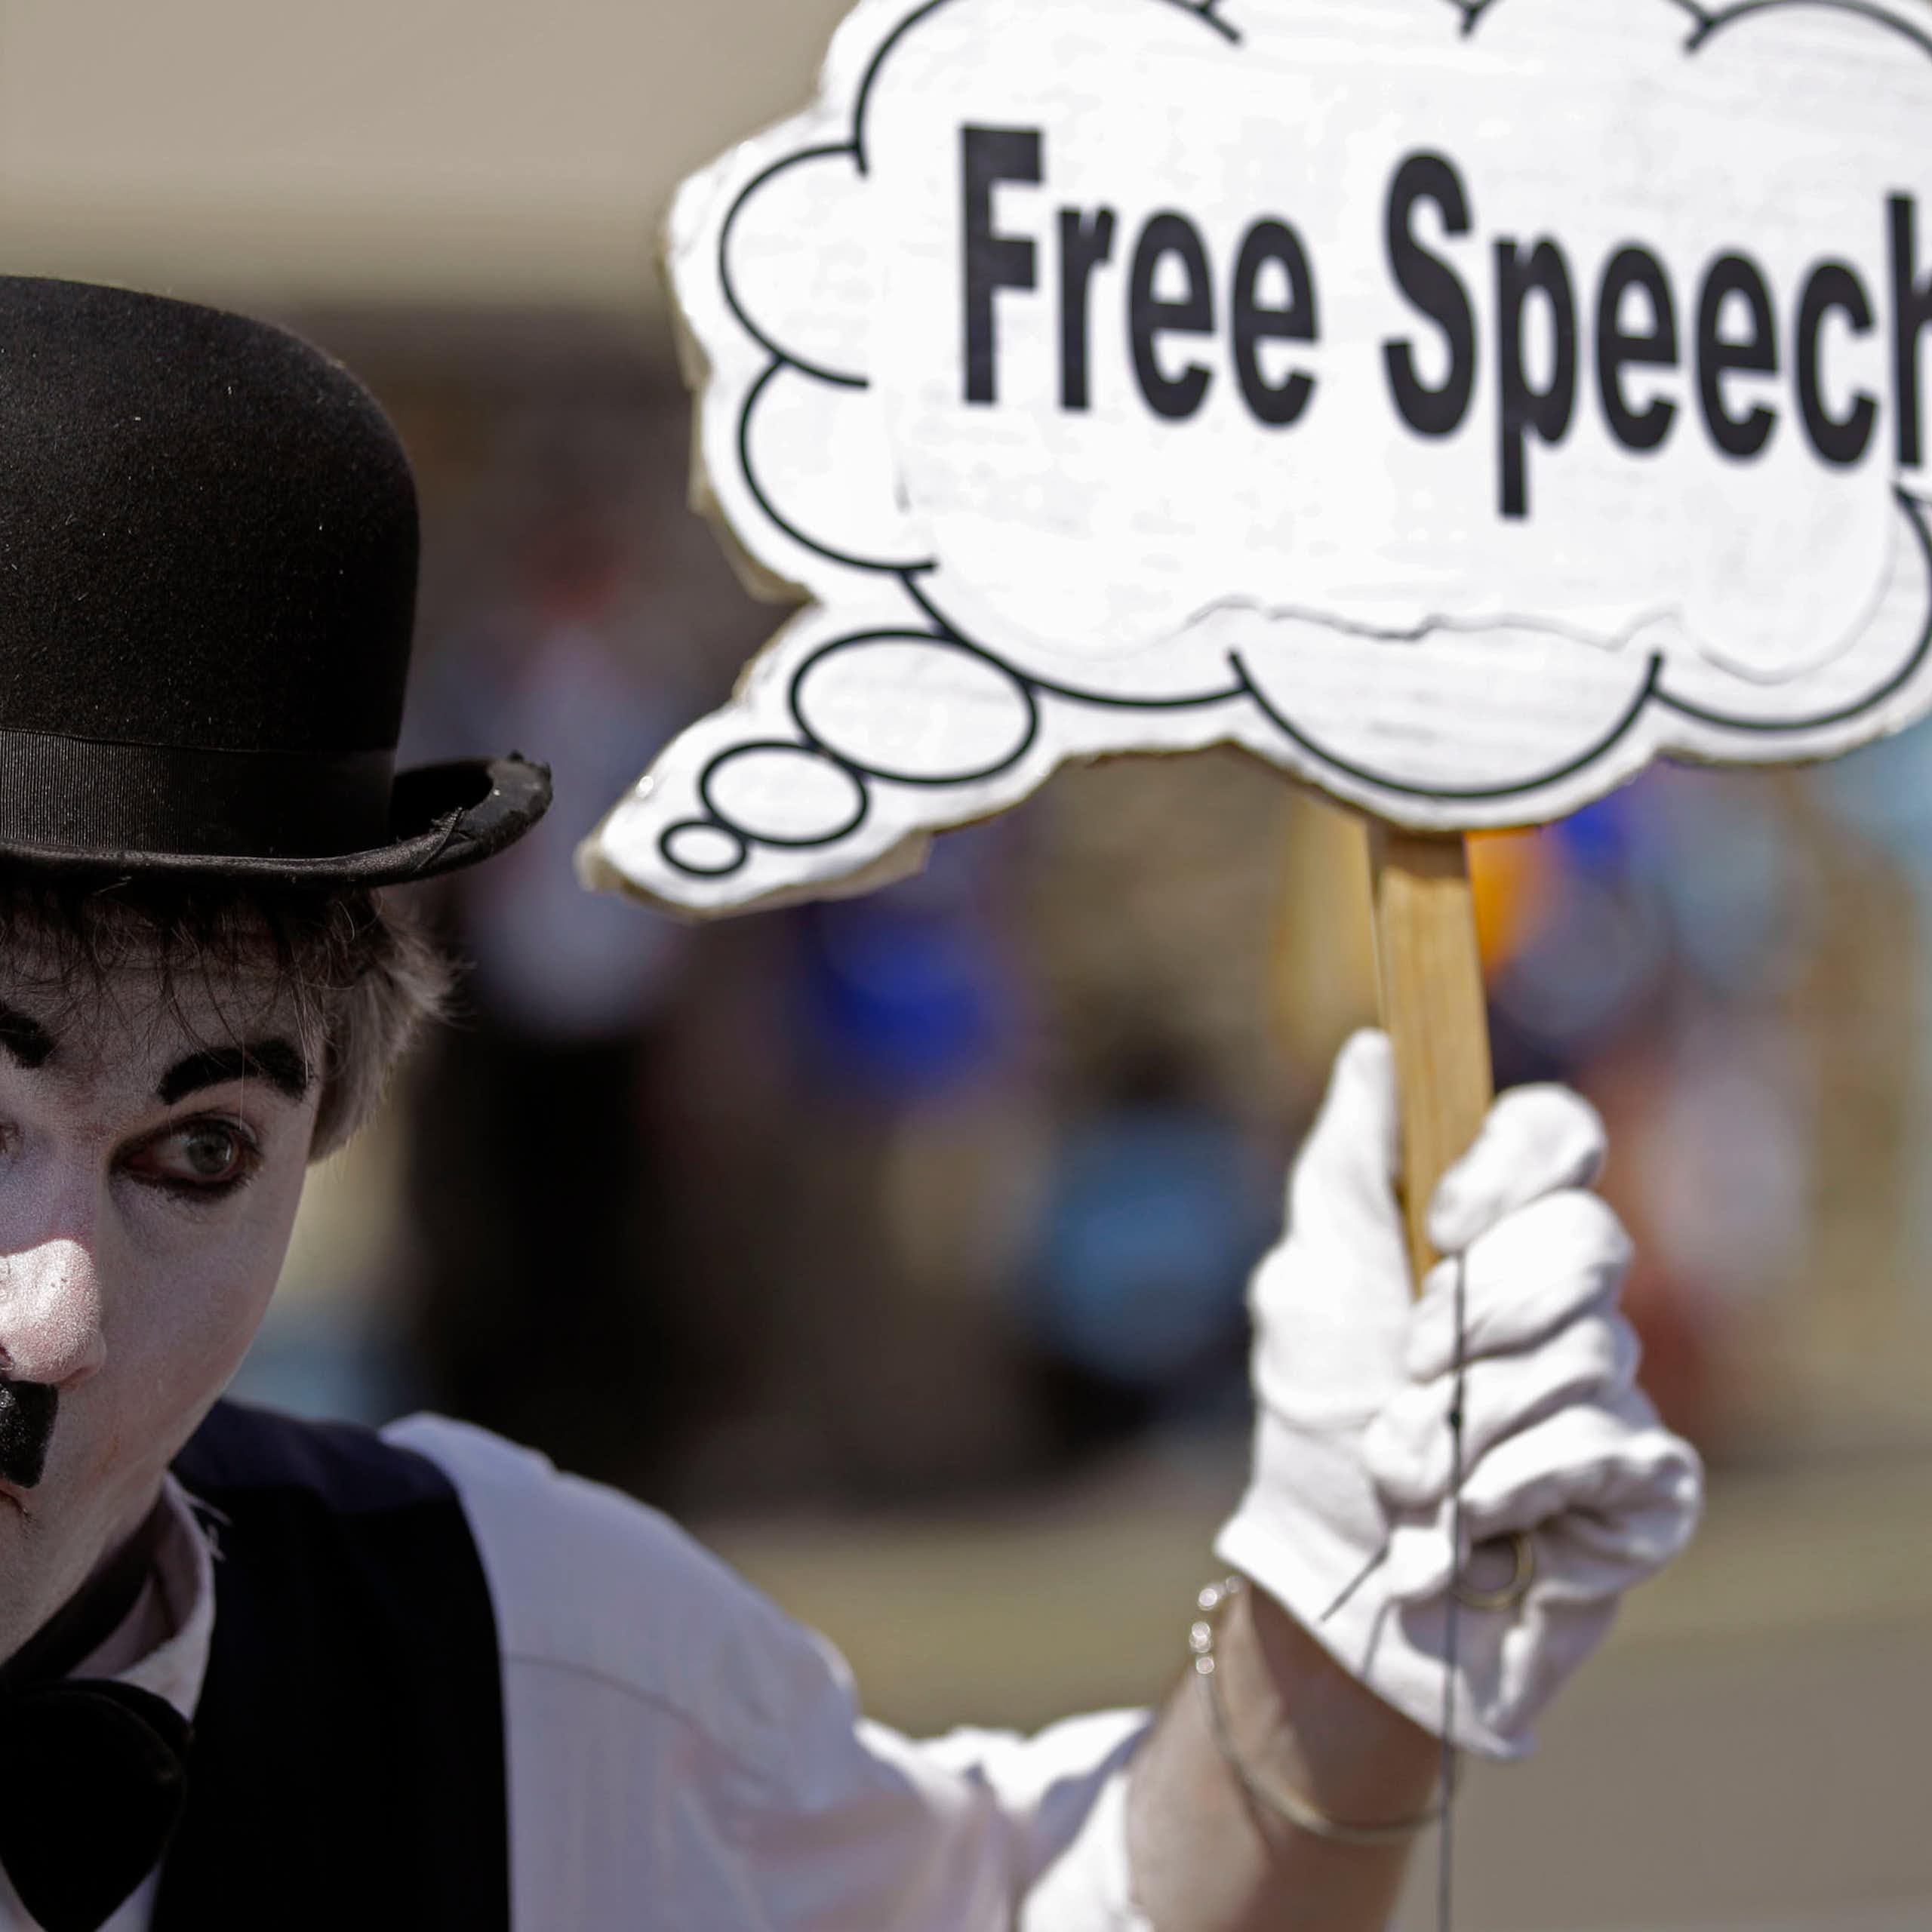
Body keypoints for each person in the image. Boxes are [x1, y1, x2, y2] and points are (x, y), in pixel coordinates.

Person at [0, 276, 1701, 1932]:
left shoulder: (514, 1653)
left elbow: (1046, 1902)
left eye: (198, 1152)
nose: (54, 1311)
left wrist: (1341, 1632)